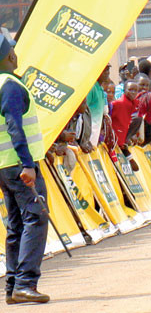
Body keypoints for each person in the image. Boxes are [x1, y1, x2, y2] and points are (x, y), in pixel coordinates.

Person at [0, 31, 50, 304]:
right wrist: (28, 164)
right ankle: (25, 283)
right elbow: (14, 127)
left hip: (5, 167)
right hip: (20, 166)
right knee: (36, 217)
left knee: (17, 224)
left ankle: (12, 287)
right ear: (9, 55)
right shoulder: (10, 85)